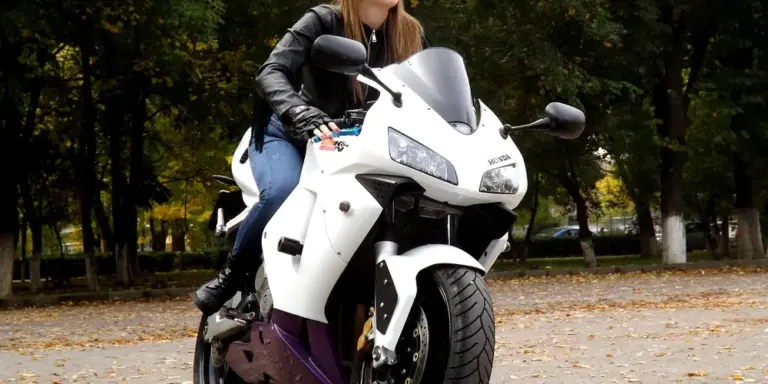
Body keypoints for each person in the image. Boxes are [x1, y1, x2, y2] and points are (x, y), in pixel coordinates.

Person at [192, 0, 431, 315]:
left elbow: (429, 94)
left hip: (360, 146)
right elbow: (271, 71)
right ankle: (232, 275)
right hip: (294, 136)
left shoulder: (411, 34)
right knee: (281, 191)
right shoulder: (323, 20)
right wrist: (298, 110)